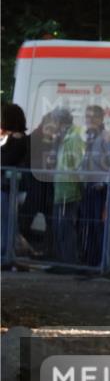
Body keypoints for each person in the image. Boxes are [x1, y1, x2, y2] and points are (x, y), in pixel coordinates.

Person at [80, 105, 110, 267]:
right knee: (89, 224)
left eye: (94, 117)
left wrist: (103, 183)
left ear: (101, 119)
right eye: (87, 116)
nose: (90, 120)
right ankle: (90, 261)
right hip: (88, 187)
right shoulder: (88, 136)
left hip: (101, 190)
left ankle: (100, 263)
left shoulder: (105, 137)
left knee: (99, 226)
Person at [51, 108, 85, 265]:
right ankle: (62, 260)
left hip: (69, 190)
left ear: (60, 122)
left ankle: (68, 262)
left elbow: (79, 164)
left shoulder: (74, 137)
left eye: (54, 122)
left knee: (66, 227)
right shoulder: (63, 137)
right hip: (61, 189)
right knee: (60, 227)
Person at [1, 103, 30, 265]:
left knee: (6, 222)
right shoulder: (11, 138)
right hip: (6, 187)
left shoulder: (19, 141)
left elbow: (6, 160)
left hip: (9, 188)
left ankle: (6, 255)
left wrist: (9, 141)